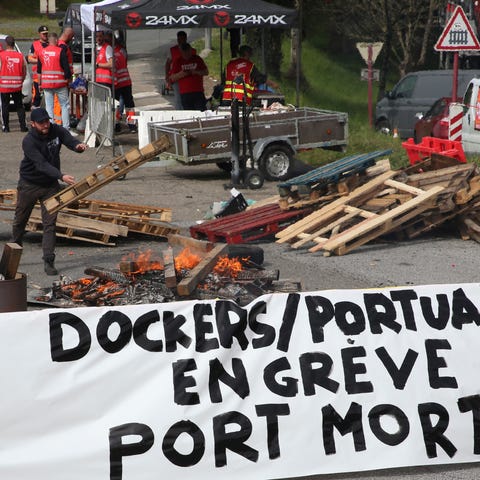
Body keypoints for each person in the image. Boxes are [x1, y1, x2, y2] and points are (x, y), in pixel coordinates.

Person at [11, 107, 87, 276]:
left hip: (50, 186)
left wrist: (78, 146)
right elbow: (41, 164)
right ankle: (11, 257)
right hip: (29, 185)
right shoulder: (29, 141)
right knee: (19, 223)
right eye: (41, 123)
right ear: (33, 124)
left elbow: (69, 139)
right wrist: (61, 176)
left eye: (47, 121)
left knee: (50, 224)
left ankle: (48, 260)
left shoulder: (55, 130)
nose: (46, 125)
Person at [37, 32, 74, 134]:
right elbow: (66, 68)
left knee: (49, 106)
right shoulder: (60, 51)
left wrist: (39, 84)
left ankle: (50, 128)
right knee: (64, 105)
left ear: (48, 41)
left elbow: (39, 70)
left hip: (46, 84)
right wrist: (68, 80)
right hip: (60, 83)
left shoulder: (41, 52)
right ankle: (66, 128)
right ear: (57, 40)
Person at [0, 35, 28, 132]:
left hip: (4, 86)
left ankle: (6, 127)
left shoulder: (1, 55)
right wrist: (22, 80)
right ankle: (23, 127)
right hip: (16, 85)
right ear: (14, 43)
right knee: (19, 107)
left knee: (5, 106)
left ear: (6, 44)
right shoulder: (20, 56)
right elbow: (24, 70)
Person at [169, 42, 208, 111]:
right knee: (189, 113)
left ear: (190, 50)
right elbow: (172, 78)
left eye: (188, 52)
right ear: (181, 52)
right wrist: (182, 74)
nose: (186, 54)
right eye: (184, 52)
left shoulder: (197, 59)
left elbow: (206, 72)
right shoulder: (178, 61)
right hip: (185, 93)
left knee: (201, 111)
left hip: (198, 91)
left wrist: (195, 72)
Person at [164, 31, 196, 110]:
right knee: (178, 98)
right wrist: (167, 77)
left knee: (188, 97)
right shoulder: (173, 50)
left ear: (185, 39)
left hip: (189, 79)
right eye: (179, 39)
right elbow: (168, 64)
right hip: (176, 78)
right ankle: (180, 113)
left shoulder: (192, 51)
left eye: (182, 39)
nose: (180, 41)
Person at [113, 35, 136, 132]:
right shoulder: (122, 50)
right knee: (129, 103)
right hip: (125, 80)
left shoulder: (111, 51)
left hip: (117, 82)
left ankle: (117, 123)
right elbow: (125, 62)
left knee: (117, 104)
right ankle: (131, 125)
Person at [27, 25, 49, 109]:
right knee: (36, 97)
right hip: (37, 76)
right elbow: (29, 58)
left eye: (46, 34)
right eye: (43, 34)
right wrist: (40, 61)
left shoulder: (51, 44)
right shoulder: (35, 45)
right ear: (39, 34)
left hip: (48, 76)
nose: (45, 35)